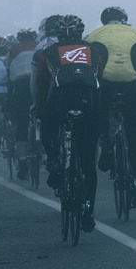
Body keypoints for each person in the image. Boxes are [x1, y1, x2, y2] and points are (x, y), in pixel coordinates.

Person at [33, 14, 107, 232]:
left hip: (59, 104)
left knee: (47, 128)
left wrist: (39, 111)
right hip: (89, 105)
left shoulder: (47, 53)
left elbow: (41, 87)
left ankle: (55, 162)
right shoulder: (95, 51)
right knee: (87, 163)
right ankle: (88, 211)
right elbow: (100, 83)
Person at [86, 6, 136, 209]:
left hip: (105, 85)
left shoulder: (93, 35)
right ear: (125, 20)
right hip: (134, 86)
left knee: (100, 118)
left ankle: (106, 144)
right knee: (133, 134)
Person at [8, 28, 38, 180]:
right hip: (38, 83)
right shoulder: (39, 45)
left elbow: (9, 71)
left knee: (21, 124)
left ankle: (23, 160)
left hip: (20, 86)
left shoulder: (14, 49)